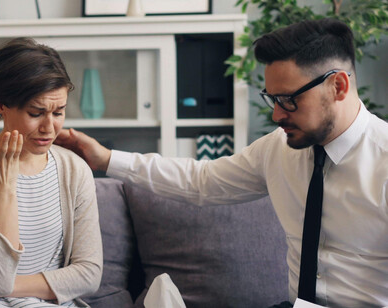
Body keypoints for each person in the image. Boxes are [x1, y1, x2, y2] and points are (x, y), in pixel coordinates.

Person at [55, 18, 388, 308]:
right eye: (272, 99)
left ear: (339, 86)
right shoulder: (279, 149)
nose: (276, 115)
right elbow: (201, 180)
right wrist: (107, 159)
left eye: (289, 100)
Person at [0, 37, 102, 307]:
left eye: (59, 112)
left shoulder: (74, 171)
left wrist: (7, 287)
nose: (49, 127)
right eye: (36, 112)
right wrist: (5, 191)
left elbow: (89, 274)